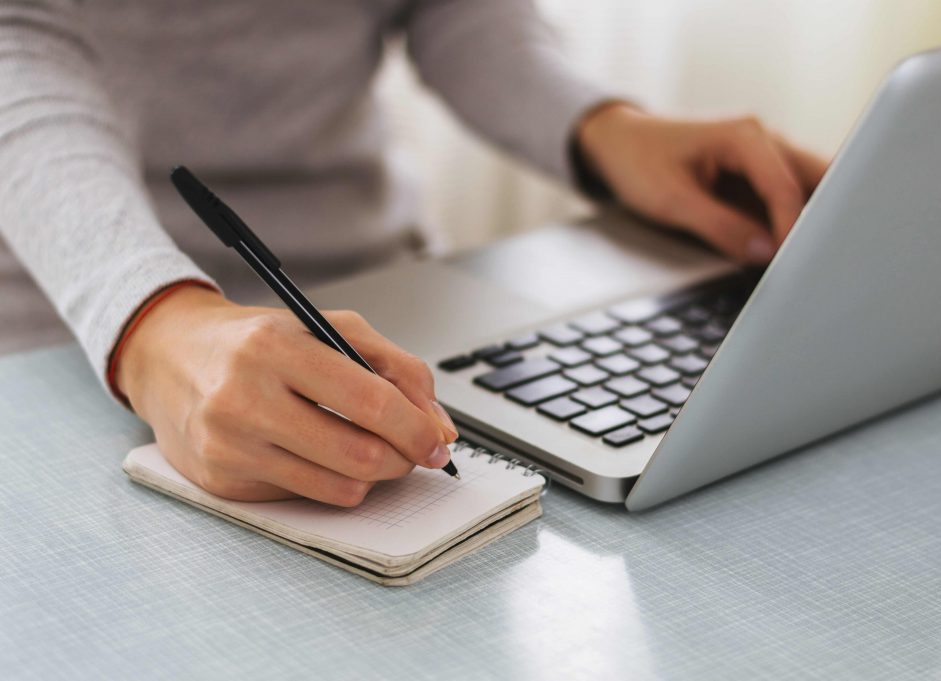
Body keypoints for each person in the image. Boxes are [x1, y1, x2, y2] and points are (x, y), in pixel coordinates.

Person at [0, 0, 827, 507]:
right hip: (67, 317)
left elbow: (453, 9)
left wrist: (606, 130)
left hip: (389, 289)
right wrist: (149, 319)